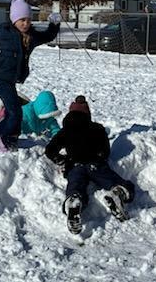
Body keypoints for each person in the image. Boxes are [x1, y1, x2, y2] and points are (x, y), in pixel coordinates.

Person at [0, 0, 60, 151]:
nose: (25, 23)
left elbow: (48, 36)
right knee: (15, 111)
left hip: (9, 80)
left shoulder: (31, 36)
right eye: (22, 20)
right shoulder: (4, 32)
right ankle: (4, 137)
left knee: (14, 110)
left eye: (28, 20)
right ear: (14, 19)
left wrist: (54, 24)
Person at [45, 95, 135, 234]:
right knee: (112, 180)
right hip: (95, 163)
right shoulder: (97, 128)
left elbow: (50, 150)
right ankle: (118, 192)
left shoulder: (65, 131)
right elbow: (106, 151)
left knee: (76, 184)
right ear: (87, 113)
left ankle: (74, 201)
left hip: (74, 165)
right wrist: (100, 156)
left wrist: (61, 159)